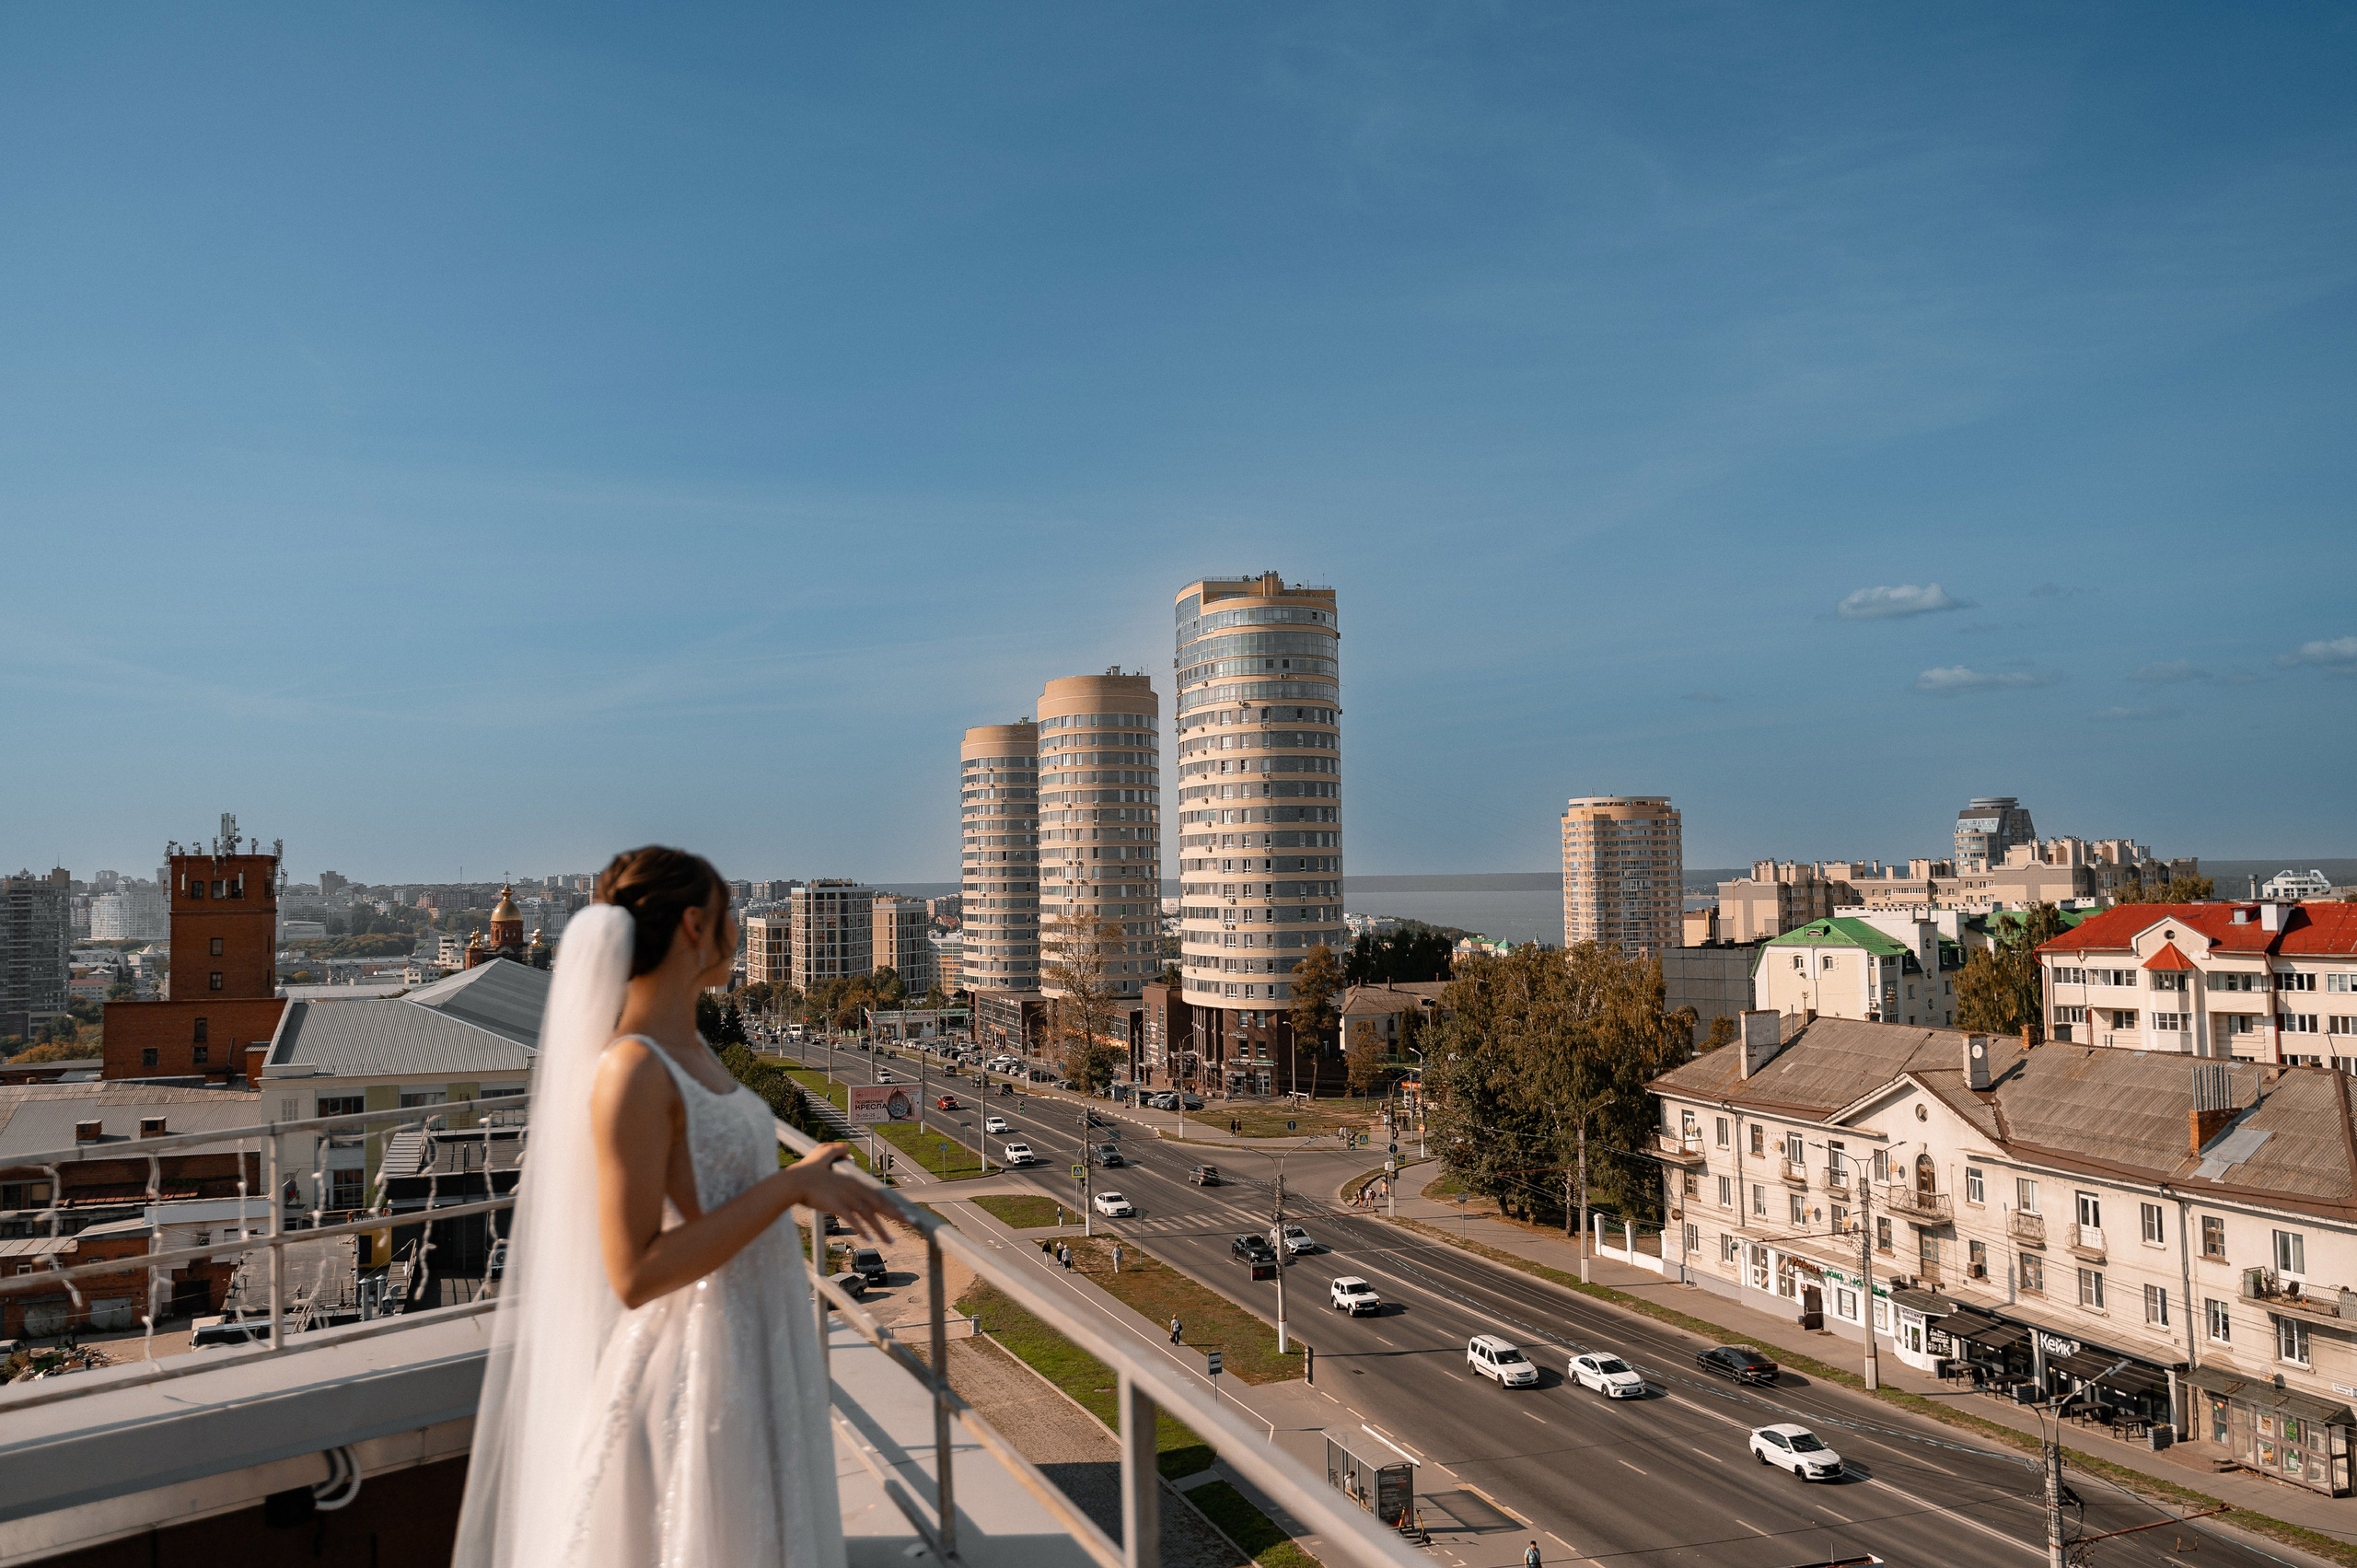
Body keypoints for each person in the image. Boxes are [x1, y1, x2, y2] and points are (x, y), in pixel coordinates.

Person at [456, 847, 900, 1568]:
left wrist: (800, 1173)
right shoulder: (632, 1068)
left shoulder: (691, 1046)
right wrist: (789, 1188)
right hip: (699, 1367)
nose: (739, 932)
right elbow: (634, 1272)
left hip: (757, 1339)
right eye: (731, 915)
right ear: (695, 925)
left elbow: (713, 1186)